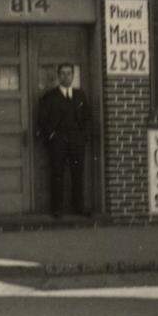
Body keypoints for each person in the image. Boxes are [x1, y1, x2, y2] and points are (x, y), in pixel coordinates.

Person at [37, 63, 91, 218]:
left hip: (76, 142)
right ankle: (57, 209)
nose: (66, 76)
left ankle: (79, 206)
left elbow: (87, 117)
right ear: (58, 76)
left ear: (73, 76)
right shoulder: (49, 96)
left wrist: (83, 137)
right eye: (63, 73)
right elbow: (42, 120)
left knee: (77, 174)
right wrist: (52, 136)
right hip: (58, 142)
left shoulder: (80, 95)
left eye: (69, 73)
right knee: (57, 174)